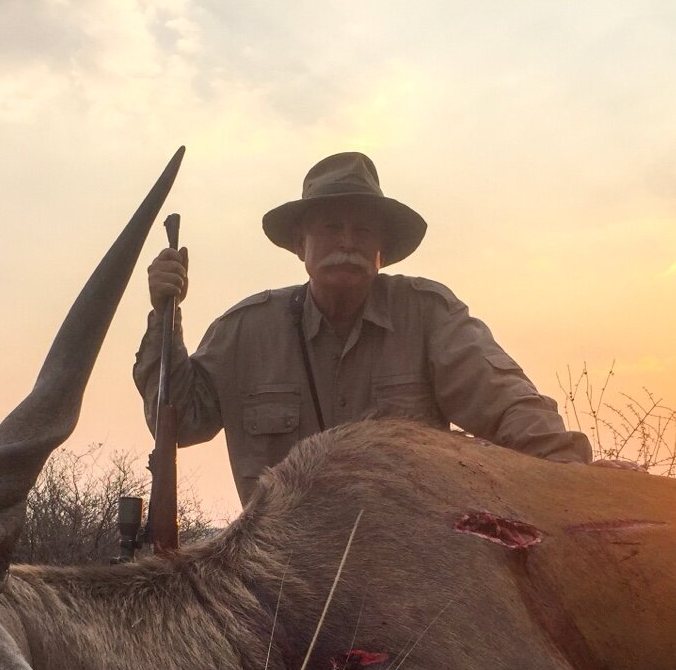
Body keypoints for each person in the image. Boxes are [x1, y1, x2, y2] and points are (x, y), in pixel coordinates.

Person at [134, 152, 609, 506]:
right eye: (331, 227)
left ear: (383, 250)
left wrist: (570, 484)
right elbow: (178, 423)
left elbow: (510, 407)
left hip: (409, 571)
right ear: (301, 245)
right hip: (278, 578)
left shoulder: (428, 314)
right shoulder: (245, 331)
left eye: (363, 231)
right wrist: (164, 316)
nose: (347, 242)